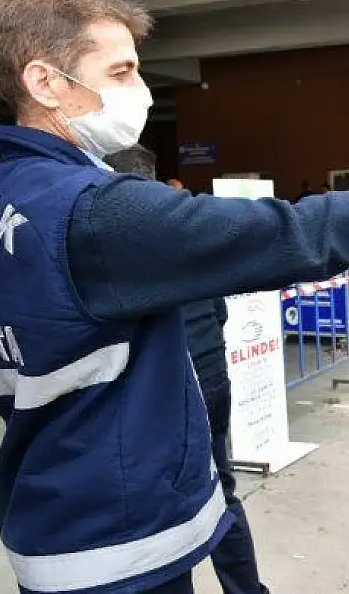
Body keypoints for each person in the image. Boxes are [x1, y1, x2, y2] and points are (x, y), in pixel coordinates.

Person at [0, 0, 349, 594]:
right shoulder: (90, 211)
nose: (140, 91)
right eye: (120, 73)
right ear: (44, 82)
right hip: (114, 538)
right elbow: (297, 234)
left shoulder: (0, 198)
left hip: (55, 502)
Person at [105, 145, 265, 594]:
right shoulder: (186, 222)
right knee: (223, 489)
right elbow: (219, 310)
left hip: (167, 389)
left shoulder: (114, 233)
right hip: (212, 375)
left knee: (166, 507)